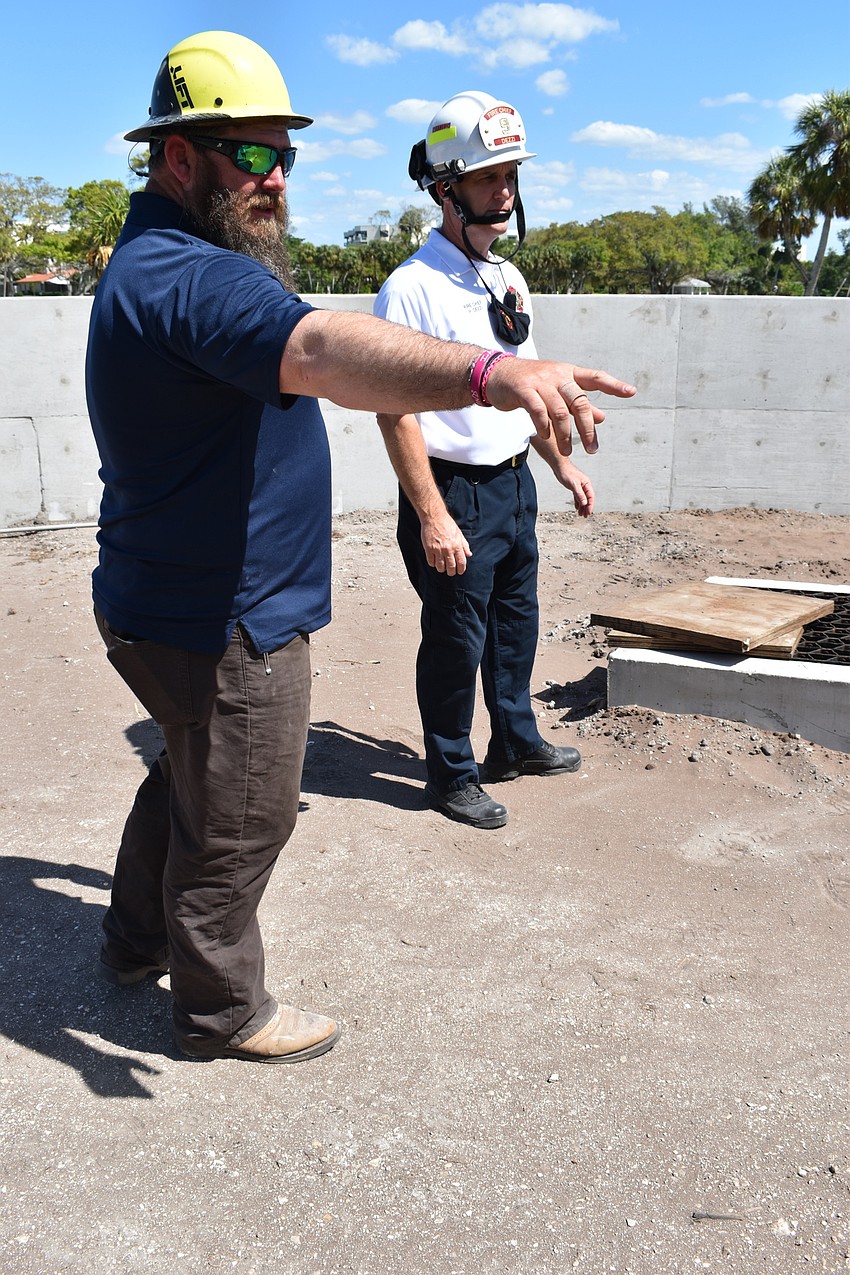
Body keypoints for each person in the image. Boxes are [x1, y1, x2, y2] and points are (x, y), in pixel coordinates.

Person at [87, 32, 635, 1065]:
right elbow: (323, 347)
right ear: (177, 158)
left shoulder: (161, 260)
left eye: (283, 152)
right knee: (243, 818)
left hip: (171, 596)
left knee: (188, 774)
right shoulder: (192, 275)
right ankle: (221, 1010)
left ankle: (132, 941)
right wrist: (489, 375)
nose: (276, 175)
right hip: (227, 615)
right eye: (250, 155)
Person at [374, 91, 599, 831]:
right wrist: (432, 515)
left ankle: (514, 740)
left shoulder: (504, 277)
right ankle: (451, 773)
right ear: (446, 188)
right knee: (453, 640)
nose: (504, 192)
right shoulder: (411, 288)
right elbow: (395, 409)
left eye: (510, 176)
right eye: (487, 178)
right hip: (452, 494)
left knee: (513, 624)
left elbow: (527, 384)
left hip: (512, 484)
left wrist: (559, 464)